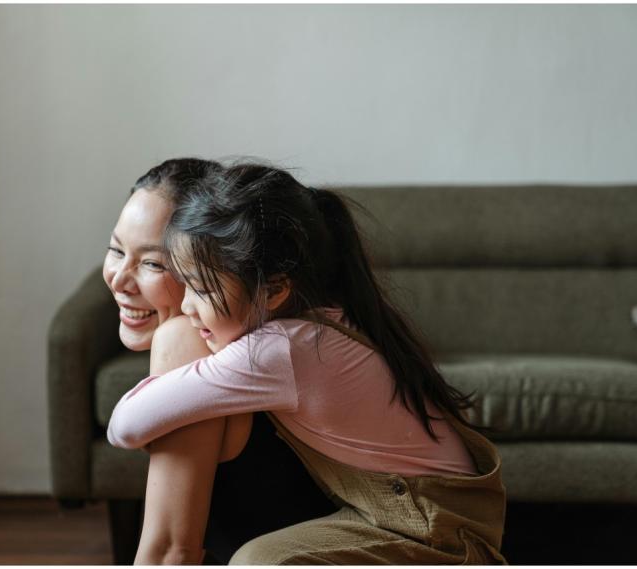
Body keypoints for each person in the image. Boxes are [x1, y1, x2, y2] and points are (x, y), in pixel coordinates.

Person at [108, 162, 507, 564]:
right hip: (420, 512)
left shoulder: (280, 349)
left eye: (198, 285)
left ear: (276, 289)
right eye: (115, 249)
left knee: (259, 562)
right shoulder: (314, 320)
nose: (188, 306)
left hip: (434, 526)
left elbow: (124, 425)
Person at [103, 158, 339, 565]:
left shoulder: (184, 339)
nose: (120, 280)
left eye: (153, 263)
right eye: (116, 250)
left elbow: (170, 550)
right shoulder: (268, 331)